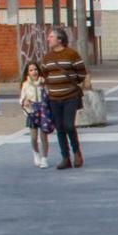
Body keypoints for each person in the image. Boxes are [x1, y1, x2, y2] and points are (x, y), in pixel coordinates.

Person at [42, 28, 87, 170]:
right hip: (54, 98)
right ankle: (65, 158)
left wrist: (69, 83)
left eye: (51, 37)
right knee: (60, 128)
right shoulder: (47, 57)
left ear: (59, 40)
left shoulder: (72, 54)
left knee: (69, 125)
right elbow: (45, 74)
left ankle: (76, 152)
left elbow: (81, 72)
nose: (48, 39)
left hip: (70, 96)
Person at [19, 61, 50, 169]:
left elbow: (49, 95)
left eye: (35, 69)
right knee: (33, 137)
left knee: (44, 136)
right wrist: (24, 101)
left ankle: (44, 158)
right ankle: (36, 154)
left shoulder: (43, 83)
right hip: (32, 112)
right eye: (31, 70)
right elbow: (21, 98)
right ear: (28, 72)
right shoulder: (25, 84)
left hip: (43, 112)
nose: (34, 72)